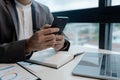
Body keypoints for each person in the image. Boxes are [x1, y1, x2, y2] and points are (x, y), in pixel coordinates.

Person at [0, 0, 70, 63]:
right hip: (8, 66)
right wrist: (27, 46)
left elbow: (63, 37)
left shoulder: (44, 9)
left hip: (39, 65)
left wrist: (61, 44)